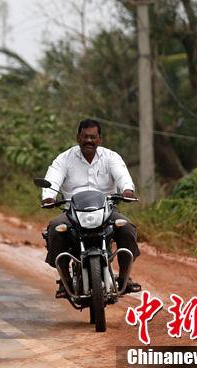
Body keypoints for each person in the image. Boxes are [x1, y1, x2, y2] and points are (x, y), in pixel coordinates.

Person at [42, 119, 141, 296]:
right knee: (55, 228)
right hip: (72, 212)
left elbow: (122, 175)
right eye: (85, 137)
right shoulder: (64, 159)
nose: (89, 141)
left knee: (126, 227)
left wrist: (127, 190)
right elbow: (53, 178)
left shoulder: (111, 157)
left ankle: (125, 278)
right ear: (78, 138)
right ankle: (65, 280)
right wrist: (48, 196)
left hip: (107, 210)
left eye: (93, 137)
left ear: (100, 139)